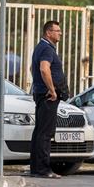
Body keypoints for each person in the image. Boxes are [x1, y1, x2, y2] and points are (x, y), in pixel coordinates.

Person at [29, 20, 69, 178]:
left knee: (39, 131)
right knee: (45, 133)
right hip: (47, 96)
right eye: (57, 30)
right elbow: (43, 69)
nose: (60, 33)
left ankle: (36, 168)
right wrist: (52, 90)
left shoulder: (41, 47)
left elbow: (33, 69)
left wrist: (39, 84)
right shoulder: (46, 48)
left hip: (41, 93)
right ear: (48, 33)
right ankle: (44, 169)